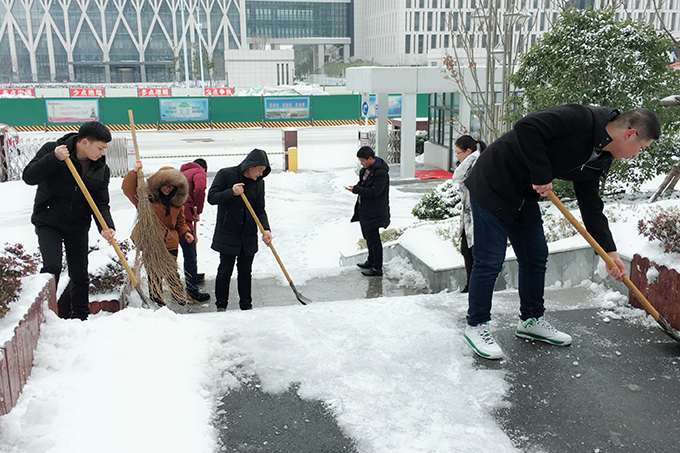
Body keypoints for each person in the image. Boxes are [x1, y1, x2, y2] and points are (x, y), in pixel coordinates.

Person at [463, 104, 660, 360]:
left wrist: (609, 253)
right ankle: (476, 325)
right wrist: (542, 173)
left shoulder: (600, 157)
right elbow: (527, 127)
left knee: (535, 256)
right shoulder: (580, 118)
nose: (636, 155)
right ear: (630, 134)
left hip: (525, 194)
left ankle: (531, 321)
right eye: (641, 149)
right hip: (494, 180)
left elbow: (591, 206)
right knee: (489, 260)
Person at [22, 121, 116, 321]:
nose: (102, 153)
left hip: (77, 225)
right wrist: (54, 159)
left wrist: (106, 226)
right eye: (100, 148)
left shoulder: (101, 169)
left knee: (79, 273)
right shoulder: (52, 150)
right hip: (48, 221)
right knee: (52, 268)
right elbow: (29, 176)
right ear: (84, 142)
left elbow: (100, 202)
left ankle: (80, 317)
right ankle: (47, 316)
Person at [208, 149, 272, 311]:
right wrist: (232, 192)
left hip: (248, 235)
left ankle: (246, 306)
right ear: (251, 166)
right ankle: (221, 306)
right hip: (228, 232)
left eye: (263, 171)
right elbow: (212, 197)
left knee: (245, 272)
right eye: (260, 170)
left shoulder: (259, 182)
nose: (261, 174)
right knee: (224, 271)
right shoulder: (226, 175)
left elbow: (259, 209)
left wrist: (266, 229)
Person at [122, 160, 193, 305]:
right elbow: (127, 189)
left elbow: (180, 222)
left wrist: (185, 233)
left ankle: (178, 295)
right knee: (153, 273)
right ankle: (156, 296)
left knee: (172, 271)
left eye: (172, 186)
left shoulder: (177, 203)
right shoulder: (146, 200)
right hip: (151, 242)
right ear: (158, 184)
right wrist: (134, 172)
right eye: (165, 185)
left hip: (170, 243)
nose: (168, 188)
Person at [346, 146, 390, 277]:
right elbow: (363, 185)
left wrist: (357, 190)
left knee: (374, 239)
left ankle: (377, 268)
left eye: (363, 160)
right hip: (364, 210)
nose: (361, 163)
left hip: (375, 212)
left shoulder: (381, 173)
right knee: (368, 238)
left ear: (370, 158)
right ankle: (370, 261)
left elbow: (375, 192)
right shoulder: (364, 171)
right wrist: (356, 187)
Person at [450, 135, 487, 293]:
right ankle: (470, 285)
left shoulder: (476, 165)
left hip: (478, 216)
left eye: (458, 152)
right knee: (466, 250)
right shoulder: (464, 166)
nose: (456, 156)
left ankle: (476, 287)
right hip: (468, 216)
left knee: (474, 253)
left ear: (468, 151)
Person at [179, 158, 210, 302]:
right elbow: (199, 189)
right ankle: (192, 290)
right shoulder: (199, 172)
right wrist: (198, 210)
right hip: (184, 217)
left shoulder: (182, 173)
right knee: (190, 253)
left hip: (174, 214)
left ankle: (191, 276)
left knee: (176, 251)